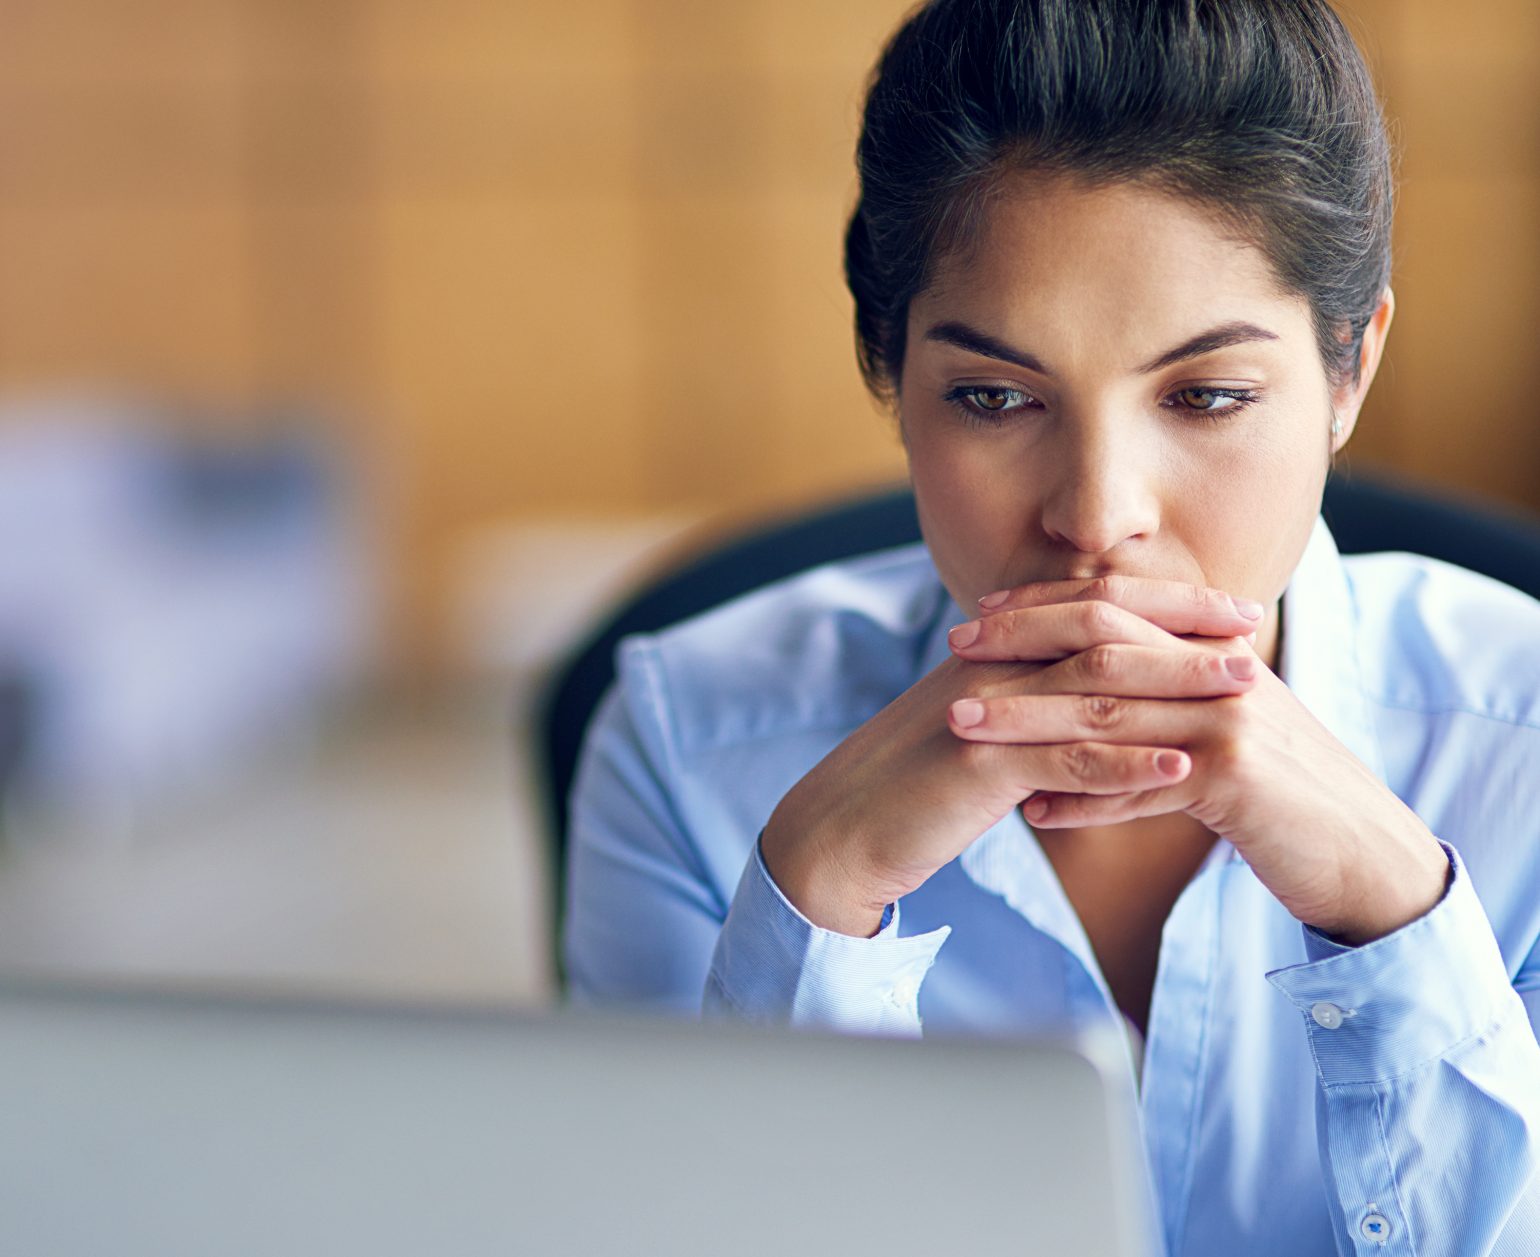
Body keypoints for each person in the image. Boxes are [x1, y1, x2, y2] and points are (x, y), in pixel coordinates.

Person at [563, 1, 1540, 1252]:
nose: (1096, 516)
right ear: (889, 376)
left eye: (1209, 396)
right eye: (992, 396)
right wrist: (815, 906)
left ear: (1350, 369)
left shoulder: (1519, 746)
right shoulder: (681, 740)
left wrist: (1392, 913)